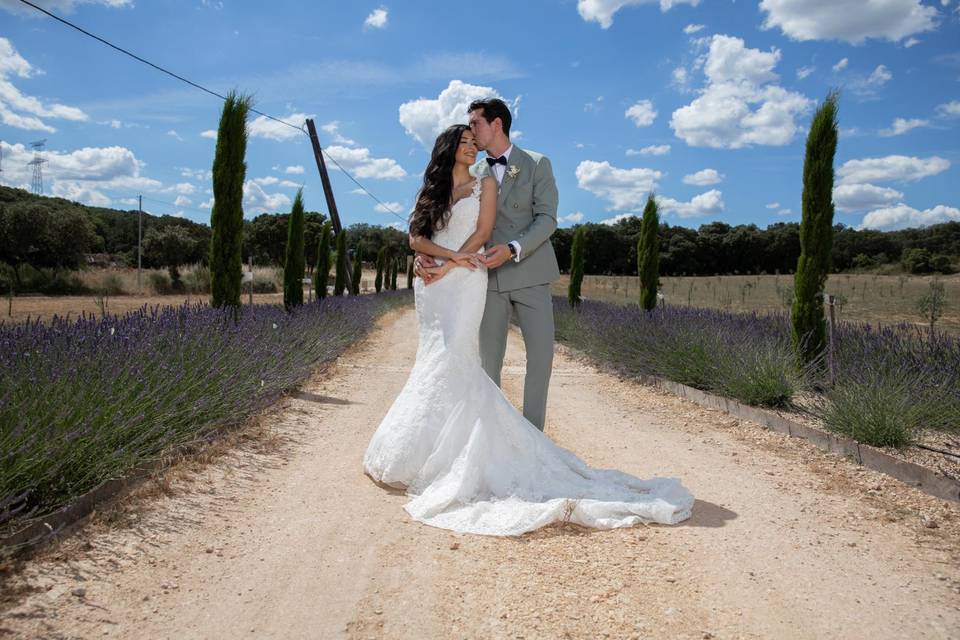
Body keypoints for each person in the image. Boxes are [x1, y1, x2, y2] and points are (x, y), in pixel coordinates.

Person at [362, 121, 694, 536]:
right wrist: (429, 260)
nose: (472, 146)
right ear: (447, 150)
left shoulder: (487, 184)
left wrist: (448, 264)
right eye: (463, 142)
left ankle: (494, 449)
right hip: (432, 288)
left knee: (463, 356)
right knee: (433, 357)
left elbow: (484, 233)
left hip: (464, 279)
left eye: (474, 137)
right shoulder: (432, 190)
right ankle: (428, 450)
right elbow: (415, 237)